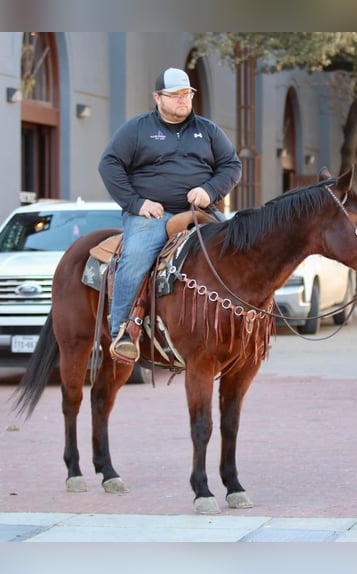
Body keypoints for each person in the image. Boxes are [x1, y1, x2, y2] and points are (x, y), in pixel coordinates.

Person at [98, 67, 242, 361]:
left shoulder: (209, 130)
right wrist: (137, 203)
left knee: (236, 252)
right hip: (152, 217)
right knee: (136, 256)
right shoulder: (137, 129)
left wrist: (209, 190)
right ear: (158, 97)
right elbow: (109, 164)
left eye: (186, 94)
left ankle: (240, 325)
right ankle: (122, 332)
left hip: (201, 211)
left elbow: (231, 165)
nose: (182, 100)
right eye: (174, 95)